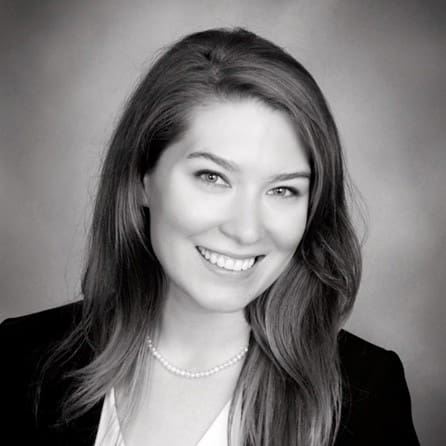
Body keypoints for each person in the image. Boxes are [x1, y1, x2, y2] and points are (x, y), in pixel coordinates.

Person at [0, 27, 419, 446]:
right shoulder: (23, 357)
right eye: (213, 177)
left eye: (282, 189)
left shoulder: (367, 393)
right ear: (142, 179)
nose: (246, 229)